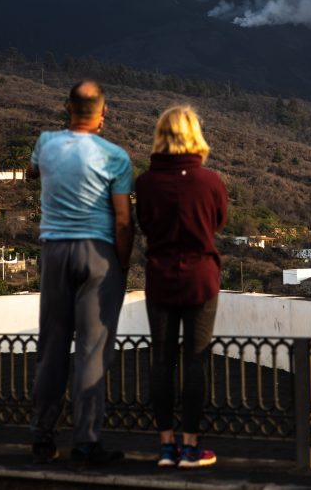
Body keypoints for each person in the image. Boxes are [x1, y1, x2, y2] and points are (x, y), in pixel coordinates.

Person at [28, 80, 134, 466]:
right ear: (103, 112)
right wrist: (121, 264)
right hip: (98, 253)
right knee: (92, 351)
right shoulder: (115, 156)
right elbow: (124, 221)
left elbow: (30, 173)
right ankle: (86, 442)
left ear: (67, 107)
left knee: (52, 347)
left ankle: (42, 437)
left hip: (54, 252)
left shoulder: (45, 143)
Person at [135, 106, 228, 469]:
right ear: (195, 135)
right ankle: (191, 446)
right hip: (201, 279)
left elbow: (144, 224)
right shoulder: (210, 181)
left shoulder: (145, 183)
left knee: (161, 361)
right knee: (196, 360)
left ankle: (165, 445)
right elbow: (218, 222)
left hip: (160, 278)